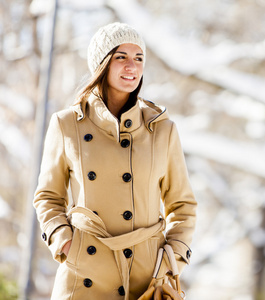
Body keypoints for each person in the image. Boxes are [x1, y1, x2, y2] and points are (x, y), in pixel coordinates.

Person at [33, 22, 197, 300]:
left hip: (146, 277)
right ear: (102, 63)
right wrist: (64, 241)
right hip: (84, 269)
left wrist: (172, 259)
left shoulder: (162, 130)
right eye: (121, 57)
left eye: (139, 58)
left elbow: (182, 205)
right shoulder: (66, 124)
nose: (131, 67)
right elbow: (48, 196)